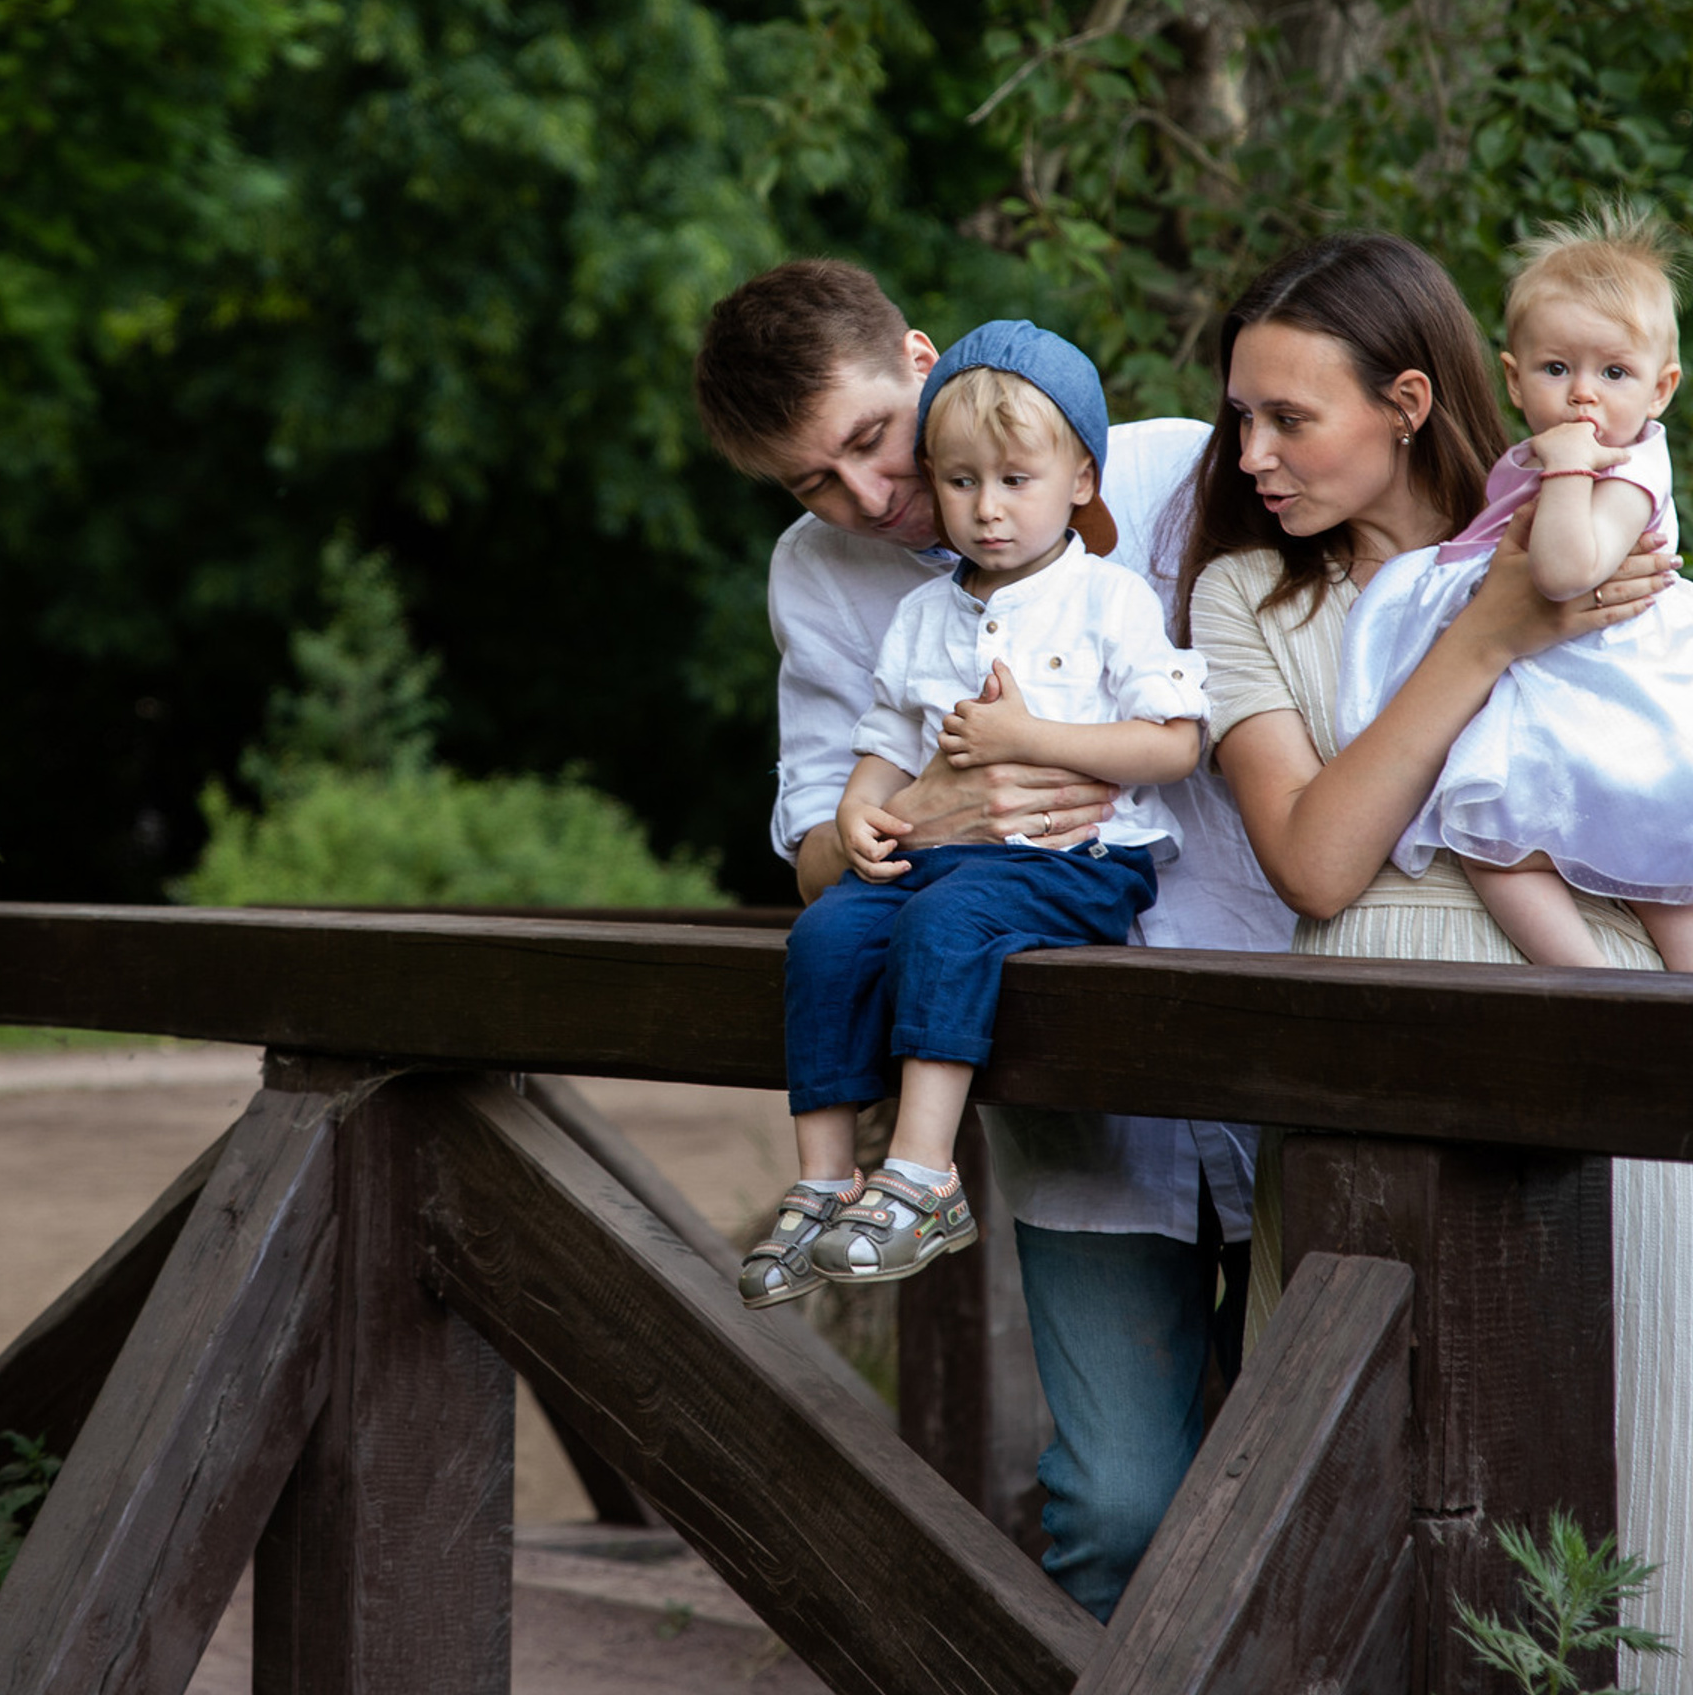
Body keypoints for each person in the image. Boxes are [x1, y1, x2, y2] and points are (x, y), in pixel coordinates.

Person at [695, 260, 1293, 1623]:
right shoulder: (823, 579)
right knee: (1114, 1506)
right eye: (810, 484)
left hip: (1274, 1035)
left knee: (1327, 1472)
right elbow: (815, 852)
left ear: (919, 359)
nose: (866, 500)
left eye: (865, 442)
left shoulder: (1159, 475)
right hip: (1079, 1093)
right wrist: (922, 808)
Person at [1176, 229, 1689, 1686]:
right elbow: (1320, 858)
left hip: (1598, 1012)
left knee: (1643, 1454)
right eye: (1239, 419)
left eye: (1289, 415)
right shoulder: (1248, 601)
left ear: (1405, 402)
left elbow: (1658, 753)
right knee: (1362, 1506)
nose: (1254, 452)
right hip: (1369, 1049)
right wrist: (1489, 631)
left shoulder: (1574, 510)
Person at [741, 322, 1206, 1309]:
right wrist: (869, 812)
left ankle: (925, 1174)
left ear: (1080, 478)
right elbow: (883, 741)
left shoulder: (1108, 597)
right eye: (960, 484)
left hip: (1077, 858)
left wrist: (1035, 742)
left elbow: (1174, 742)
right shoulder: (918, 613)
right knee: (826, 933)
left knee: (946, 924)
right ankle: (825, 1181)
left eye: (1011, 483)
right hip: (953, 861)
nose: (985, 511)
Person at [1335, 206, 1693, 968]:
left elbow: (1565, 571)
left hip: (1619, 699)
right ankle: (1592, 989)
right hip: (1559, 687)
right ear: (1514, 377)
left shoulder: (1630, 470)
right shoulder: (1539, 454)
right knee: (1501, 850)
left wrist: (1566, 465)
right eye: (1556, 369)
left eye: (1615, 373)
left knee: (1662, 876)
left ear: (1661, 390)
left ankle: (1647, 1002)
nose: (1584, 395)